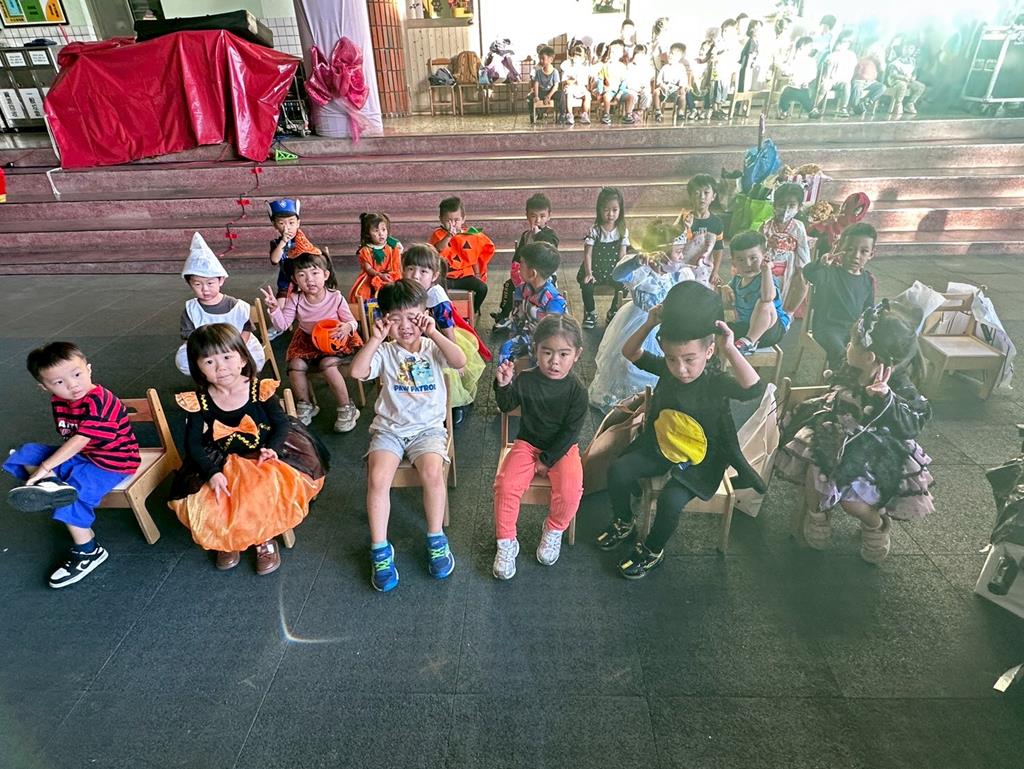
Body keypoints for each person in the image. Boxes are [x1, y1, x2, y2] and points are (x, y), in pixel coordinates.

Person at [596, 281, 766, 578]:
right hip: (660, 445)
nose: (680, 369)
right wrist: (650, 322)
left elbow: (754, 389)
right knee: (618, 470)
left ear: (709, 351)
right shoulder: (667, 369)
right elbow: (630, 352)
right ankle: (624, 521)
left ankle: (652, 549)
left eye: (689, 360)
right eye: (672, 359)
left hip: (700, 459)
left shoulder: (716, 382)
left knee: (671, 501)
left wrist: (729, 347)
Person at [775, 301, 934, 563]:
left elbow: (912, 424)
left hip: (875, 453)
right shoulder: (851, 366)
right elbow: (837, 391)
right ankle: (817, 516)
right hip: (834, 434)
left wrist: (886, 399)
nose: (847, 347)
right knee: (815, 469)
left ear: (869, 356)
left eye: (852, 344)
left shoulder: (900, 387)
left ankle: (875, 525)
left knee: (852, 502)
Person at [168, 324, 327, 575]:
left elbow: (281, 423)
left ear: (242, 359)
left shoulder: (258, 390)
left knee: (259, 490)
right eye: (209, 362)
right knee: (212, 496)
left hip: (263, 453)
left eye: (227, 357)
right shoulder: (199, 400)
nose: (220, 367)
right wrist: (212, 472)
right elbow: (193, 444)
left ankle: (264, 538)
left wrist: (272, 449)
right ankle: (226, 539)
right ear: (197, 367)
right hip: (220, 457)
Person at [350, 279, 467, 593]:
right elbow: (357, 372)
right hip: (389, 429)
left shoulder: (432, 347)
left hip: (428, 430)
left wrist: (434, 332)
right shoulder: (385, 351)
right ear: (384, 319)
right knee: (377, 477)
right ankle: (380, 548)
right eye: (395, 319)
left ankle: (436, 538)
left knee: (432, 473)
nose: (405, 326)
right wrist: (375, 339)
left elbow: (459, 361)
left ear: (424, 315)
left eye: (412, 317)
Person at [4, 342, 141, 588]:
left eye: (77, 374)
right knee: (26, 452)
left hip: (113, 462)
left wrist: (46, 467)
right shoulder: (59, 400)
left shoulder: (101, 400)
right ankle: (50, 485)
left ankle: (89, 551)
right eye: (58, 382)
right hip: (85, 456)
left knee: (72, 495)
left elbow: (79, 440)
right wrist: (47, 465)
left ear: (89, 369)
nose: (71, 385)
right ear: (44, 387)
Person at [492, 315, 588, 579]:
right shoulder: (526, 379)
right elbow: (507, 405)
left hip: (562, 448)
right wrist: (504, 384)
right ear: (535, 350)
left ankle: (554, 529)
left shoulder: (577, 390)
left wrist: (547, 459)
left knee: (571, 489)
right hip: (528, 443)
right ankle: (506, 541)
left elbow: (571, 432)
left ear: (577, 355)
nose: (554, 361)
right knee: (505, 485)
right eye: (547, 352)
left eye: (563, 354)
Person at [589, 224, 712, 411]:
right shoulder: (642, 272)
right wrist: (636, 261)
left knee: (667, 362)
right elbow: (617, 275)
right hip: (639, 322)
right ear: (660, 254)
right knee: (627, 365)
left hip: (668, 325)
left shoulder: (680, 274)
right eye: (678, 252)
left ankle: (656, 398)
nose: (681, 256)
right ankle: (626, 399)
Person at [260, 252, 362, 432]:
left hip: (334, 339)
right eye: (302, 275)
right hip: (308, 340)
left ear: (326, 275)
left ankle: (347, 407)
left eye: (315, 273)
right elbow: (283, 325)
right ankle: (305, 404)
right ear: (295, 280)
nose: (309, 279)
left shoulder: (335, 297)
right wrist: (275, 309)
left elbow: (352, 322)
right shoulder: (295, 299)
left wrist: (348, 327)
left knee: (327, 364)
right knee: (295, 366)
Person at [402, 243, 489, 426]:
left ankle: (456, 405)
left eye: (423, 271)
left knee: (446, 370)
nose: (415, 275)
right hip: (415, 341)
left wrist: (454, 357)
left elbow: (447, 328)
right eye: (410, 268)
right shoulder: (403, 290)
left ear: (434, 276)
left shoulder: (436, 296)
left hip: (440, 339)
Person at [175, 232, 265, 376]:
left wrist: (233, 348)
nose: (205, 289)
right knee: (184, 360)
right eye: (198, 284)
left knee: (250, 356)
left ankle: (240, 380)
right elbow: (190, 336)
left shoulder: (236, 306)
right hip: (205, 349)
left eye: (210, 283)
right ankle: (209, 379)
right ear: (189, 284)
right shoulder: (191, 309)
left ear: (221, 280)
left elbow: (246, 330)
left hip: (235, 347)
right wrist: (210, 350)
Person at [802, 222, 877, 370]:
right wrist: (821, 264)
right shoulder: (829, 272)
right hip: (827, 329)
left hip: (855, 330)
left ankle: (862, 380)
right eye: (849, 249)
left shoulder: (868, 280)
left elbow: (868, 309)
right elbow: (808, 272)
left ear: (871, 254)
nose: (856, 256)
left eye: (864, 251)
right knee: (841, 354)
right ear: (840, 247)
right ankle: (838, 380)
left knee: (874, 353)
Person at [492, 193, 561, 331]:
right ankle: (506, 315)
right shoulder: (526, 235)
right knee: (509, 286)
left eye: (542, 216)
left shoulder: (550, 234)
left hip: (544, 276)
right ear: (527, 216)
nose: (538, 220)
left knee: (540, 292)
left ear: (549, 216)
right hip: (525, 274)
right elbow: (518, 256)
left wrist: (538, 235)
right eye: (534, 216)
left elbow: (551, 247)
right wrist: (515, 270)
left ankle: (538, 318)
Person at [722, 229, 790, 356]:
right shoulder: (737, 280)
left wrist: (766, 270)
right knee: (718, 327)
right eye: (741, 260)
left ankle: (750, 342)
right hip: (746, 326)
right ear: (733, 262)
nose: (748, 264)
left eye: (753, 258)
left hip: (771, 330)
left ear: (764, 256)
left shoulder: (766, 279)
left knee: (765, 304)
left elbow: (768, 297)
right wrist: (725, 288)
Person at [499, 241, 568, 364]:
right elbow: (517, 318)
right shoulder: (522, 290)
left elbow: (552, 333)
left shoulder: (554, 302)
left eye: (521, 263)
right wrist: (514, 337)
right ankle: (506, 375)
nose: (518, 267)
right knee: (506, 348)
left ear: (532, 273)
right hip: (528, 336)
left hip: (549, 345)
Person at [428, 196, 491, 315]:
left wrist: (477, 274)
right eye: (448, 221)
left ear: (463, 219)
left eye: (456, 220)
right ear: (441, 219)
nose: (452, 224)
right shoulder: (438, 234)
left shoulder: (470, 236)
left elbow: (474, 258)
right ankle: (443, 314)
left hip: (464, 276)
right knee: (433, 291)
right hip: (444, 276)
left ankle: (471, 312)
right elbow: (438, 249)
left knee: (482, 288)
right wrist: (449, 236)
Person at [578, 186, 629, 329]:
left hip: (613, 270)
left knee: (624, 287)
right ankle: (590, 312)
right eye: (606, 210)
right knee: (586, 286)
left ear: (620, 210)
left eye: (614, 210)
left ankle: (613, 311)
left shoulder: (622, 231)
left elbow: (622, 255)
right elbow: (587, 254)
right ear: (599, 210)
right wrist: (589, 273)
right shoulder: (595, 230)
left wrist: (624, 274)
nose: (610, 214)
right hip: (595, 269)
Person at [760, 181, 811, 307]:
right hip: (768, 269)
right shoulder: (766, 226)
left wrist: (801, 271)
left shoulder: (798, 227)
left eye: (792, 205)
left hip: (789, 269)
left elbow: (803, 250)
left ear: (799, 207)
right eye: (782, 204)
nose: (786, 209)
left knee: (784, 296)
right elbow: (758, 249)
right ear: (774, 205)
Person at [674, 173, 725, 287]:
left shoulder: (716, 222)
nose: (702, 197)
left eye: (706, 193)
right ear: (690, 196)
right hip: (684, 267)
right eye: (697, 193)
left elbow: (718, 249)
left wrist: (715, 271)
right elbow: (675, 243)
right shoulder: (684, 218)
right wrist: (686, 228)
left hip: (704, 268)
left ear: (713, 196)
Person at [268, 198, 321, 299]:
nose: (287, 227)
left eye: (291, 223)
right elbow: (275, 260)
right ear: (275, 225)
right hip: (285, 283)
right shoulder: (276, 243)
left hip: (304, 282)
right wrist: (283, 241)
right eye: (282, 223)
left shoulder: (302, 241)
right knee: (280, 305)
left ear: (298, 223)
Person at [348, 212, 403, 303]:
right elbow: (368, 269)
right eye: (376, 231)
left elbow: (397, 262)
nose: (381, 234)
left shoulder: (391, 246)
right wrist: (379, 275)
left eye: (383, 229)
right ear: (368, 234)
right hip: (372, 276)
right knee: (361, 294)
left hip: (391, 275)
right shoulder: (366, 250)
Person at [811, 30, 857, 118]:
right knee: (824, 86)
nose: (844, 44)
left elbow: (852, 70)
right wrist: (825, 80)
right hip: (830, 79)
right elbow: (826, 71)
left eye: (847, 42)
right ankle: (815, 107)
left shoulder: (851, 55)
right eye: (843, 42)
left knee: (847, 85)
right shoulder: (832, 55)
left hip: (842, 80)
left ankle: (843, 108)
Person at [777, 36, 819, 118]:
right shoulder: (793, 59)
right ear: (802, 46)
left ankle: (811, 110)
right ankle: (784, 110)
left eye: (811, 46)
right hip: (791, 86)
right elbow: (787, 70)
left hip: (803, 87)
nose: (810, 48)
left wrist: (807, 81)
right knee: (785, 93)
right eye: (808, 46)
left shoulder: (811, 61)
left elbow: (813, 74)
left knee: (804, 97)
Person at [654, 42, 693, 124]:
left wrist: (682, 87)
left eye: (672, 54)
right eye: (670, 53)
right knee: (656, 92)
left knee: (682, 94)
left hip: (675, 88)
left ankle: (680, 112)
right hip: (665, 87)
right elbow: (659, 80)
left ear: (679, 57)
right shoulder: (665, 67)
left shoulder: (681, 67)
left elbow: (683, 80)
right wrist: (662, 85)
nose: (670, 55)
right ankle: (658, 111)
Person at [886, 41, 927, 117]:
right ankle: (898, 103)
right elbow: (893, 74)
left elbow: (914, 72)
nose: (908, 50)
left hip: (908, 80)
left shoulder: (912, 61)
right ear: (902, 49)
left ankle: (910, 103)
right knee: (902, 85)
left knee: (920, 86)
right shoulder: (896, 61)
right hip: (895, 80)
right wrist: (904, 78)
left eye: (911, 48)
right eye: (906, 48)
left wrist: (913, 78)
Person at [559, 43, 593, 125]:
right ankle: (570, 115)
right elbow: (565, 81)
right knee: (569, 94)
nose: (577, 58)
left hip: (580, 88)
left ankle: (584, 114)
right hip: (570, 87)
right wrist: (572, 80)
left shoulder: (584, 68)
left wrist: (579, 81)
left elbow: (584, 82)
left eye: (579, 56)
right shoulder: (568, 66)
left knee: (587, 95)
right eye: (575, 56)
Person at [597, 39, 629, 125]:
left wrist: (620, 93)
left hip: (620, 91)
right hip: (609, 90)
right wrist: (600, 92)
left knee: (630, 97)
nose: (613, 54)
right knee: (606, 96)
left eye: (616, 52)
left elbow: (624, 81)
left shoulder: (622, 66)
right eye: (612, 52)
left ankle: (628, 114)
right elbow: (600, 79)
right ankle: (606, 114)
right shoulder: (605, 66)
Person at [850, 43, 886, 115]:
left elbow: (882, 71)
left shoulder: (877, 62)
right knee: (857, 88)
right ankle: (855, 106)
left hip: (870, 82)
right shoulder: (859, 59)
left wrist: (880, 62)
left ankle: (868, 101)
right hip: (859, 80)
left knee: (882, 87)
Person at [622, 43, 655, 124]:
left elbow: (649, 79)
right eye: (638, 53)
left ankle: (640, 111)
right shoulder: (630, 66)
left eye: (643, 53)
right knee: (632, 95)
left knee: (647, 95)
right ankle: (629, 114)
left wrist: (643, 87)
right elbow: (627, 79)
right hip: (632, 87)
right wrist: (635, 88)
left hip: (643, 88)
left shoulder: (648, 67)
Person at [528, 45, 560, 124]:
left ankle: (561, 115)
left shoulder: (554, 71)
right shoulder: (537, 70)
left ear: (550, 59)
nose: (541, 61)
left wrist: (549, 96)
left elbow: (556, 86)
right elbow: (535, 83)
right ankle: (533, 114)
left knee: (561, 95)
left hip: (551, 92)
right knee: (529, 97)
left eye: (543, 58)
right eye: (540, 59)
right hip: (541, 91)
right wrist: (536, 95)